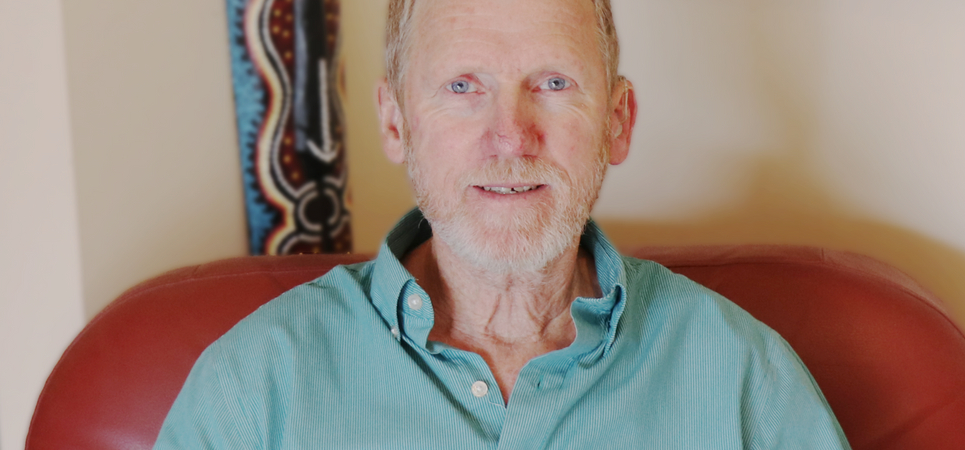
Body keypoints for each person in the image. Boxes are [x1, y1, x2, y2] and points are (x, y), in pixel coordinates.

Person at [155, 0, 850, 447]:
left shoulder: (745, 380)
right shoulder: (253, 389)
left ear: (616, 122)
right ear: (395, 123)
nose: (511, 136)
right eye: (463, 87)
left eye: (553, 83)